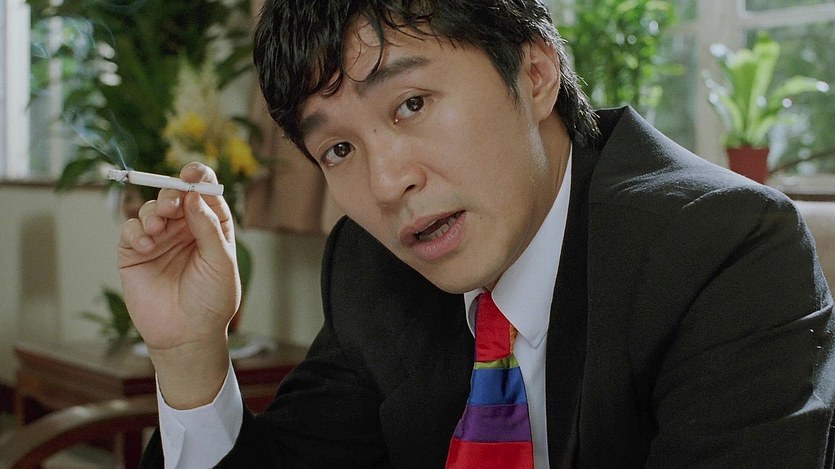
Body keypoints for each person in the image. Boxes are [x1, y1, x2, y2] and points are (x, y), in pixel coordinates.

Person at [117, 0, 835, 467]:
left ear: (535, 72)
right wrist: (190, 353)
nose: (385, 183)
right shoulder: (372, 266)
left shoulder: (723, 251)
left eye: (411, 104)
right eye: (338, 148)